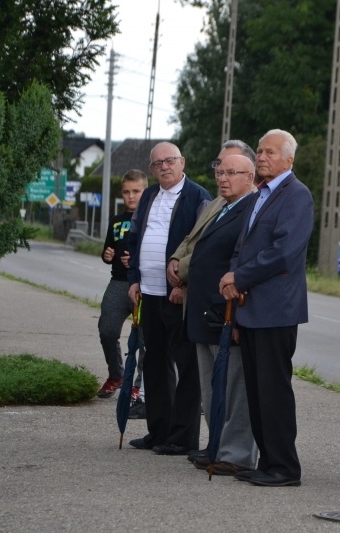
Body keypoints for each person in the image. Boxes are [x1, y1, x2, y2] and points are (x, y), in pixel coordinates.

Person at [219, 129, 313, 487]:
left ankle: (285, 467)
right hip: (250, 307)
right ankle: (267, 461)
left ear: (289, 159)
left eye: (270, 152)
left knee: (274, 391)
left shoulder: (296, 196)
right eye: (259, 151)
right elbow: (244, 245)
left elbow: (284, 252)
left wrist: (239, 277)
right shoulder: (261, 194)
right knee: (257, 391)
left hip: (276, 308)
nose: (261, 157)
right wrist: (232, 275)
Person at [166, 140, 258, 473]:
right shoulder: (222, 205)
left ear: (250, 177)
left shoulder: (251, 210)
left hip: (225, 310)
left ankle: (236, 454)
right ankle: (217, 444)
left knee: (233, 387)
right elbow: (196, 242)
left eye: (231, 172)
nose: (222, 177)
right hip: (202, 309)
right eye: (220, 171)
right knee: (210, 386)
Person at [126, 142, 212, 455]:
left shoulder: (198, 196)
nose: (164, 166)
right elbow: (135, 238)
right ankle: (157, 431)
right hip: (147, 293)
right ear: (151, 169)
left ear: (182, 162)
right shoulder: (148, 195)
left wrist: (184, 285)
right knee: (154, 363)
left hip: (177, 296)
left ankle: (183, 437)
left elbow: (202, 245)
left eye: (170, 160)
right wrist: (134, 278)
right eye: (158, 163)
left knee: (186, 366)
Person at [97, 170, 148, 400]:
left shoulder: (150, 217)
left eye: (136, 191)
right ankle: (115, 375)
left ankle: (139, 385)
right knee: (107, 329)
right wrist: (107, 255)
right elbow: (108, 249)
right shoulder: (117, 221)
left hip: (144, 284)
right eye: (127, 192)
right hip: (118, 282)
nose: (131, 196)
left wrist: (137, 261)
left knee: (145, 339)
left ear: (145, 191)